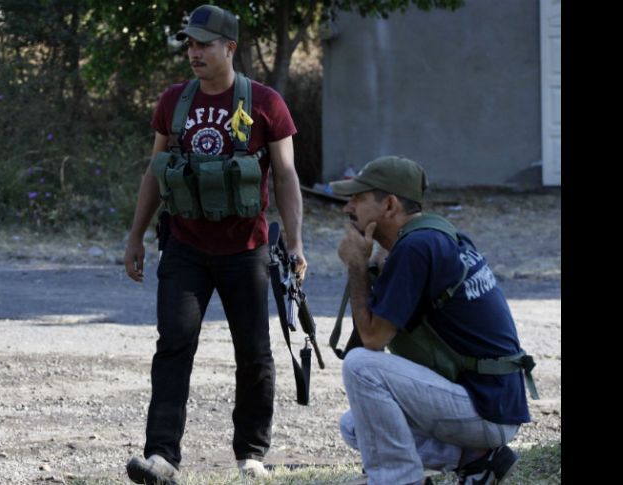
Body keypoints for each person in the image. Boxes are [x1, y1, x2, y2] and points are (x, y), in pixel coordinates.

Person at [123, 5, 306, 484]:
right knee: (174, 345)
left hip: (247, 249)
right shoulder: (173, 102)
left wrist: (296, 240)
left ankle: (250, 455)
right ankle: (162, 457)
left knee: (254, 352)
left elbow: (286, 176)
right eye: (190, 43)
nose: (194, 52)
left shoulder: (265, 103)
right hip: (185, 245)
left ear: (230, 47)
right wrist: (136, 235)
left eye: (204, 43)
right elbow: (154, 172)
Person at [330, 156, 534, 485]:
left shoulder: (415, 248)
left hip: (485, 409)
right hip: (494, 402)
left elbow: (371, 341)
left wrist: (356, 266)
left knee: (360, 366)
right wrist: (376, 270)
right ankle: (478, 460)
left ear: (390, 205)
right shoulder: (432, 235)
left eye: (358, 198)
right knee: (356, 425)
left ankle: (399, 480)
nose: (347, 207)